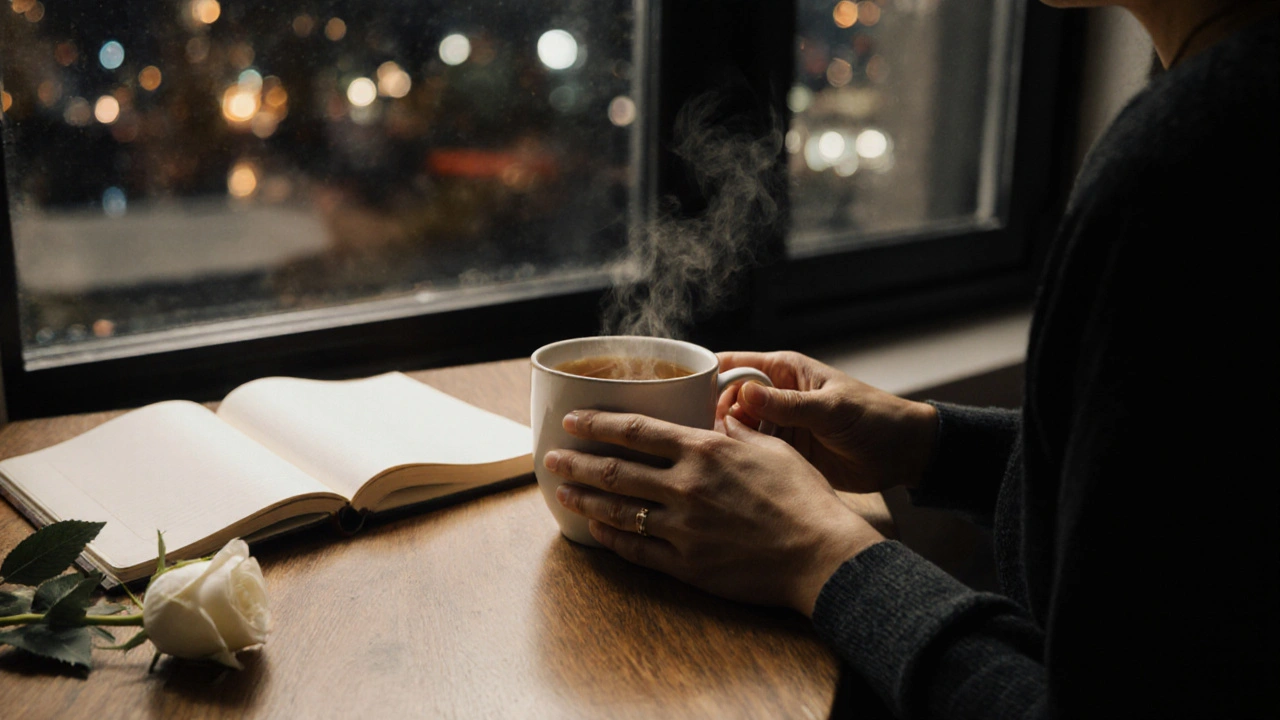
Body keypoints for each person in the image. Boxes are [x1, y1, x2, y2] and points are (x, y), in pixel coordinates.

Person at [542, 0, 1279, 717]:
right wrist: (925, 443)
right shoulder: (1218, 101)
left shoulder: (1199, 156)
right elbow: (1191, 501)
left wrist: (817, 555)